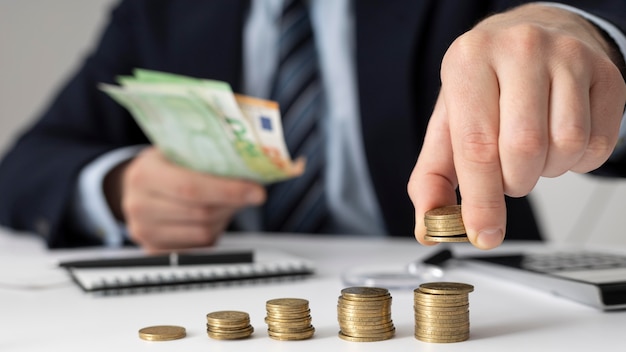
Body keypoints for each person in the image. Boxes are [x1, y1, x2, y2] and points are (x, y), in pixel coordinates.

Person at [0, 0, 625, 252]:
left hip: (453, 292)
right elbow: (24, 167)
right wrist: (118, 186)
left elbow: (578, 31)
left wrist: (585, 36)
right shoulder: (160, 11)